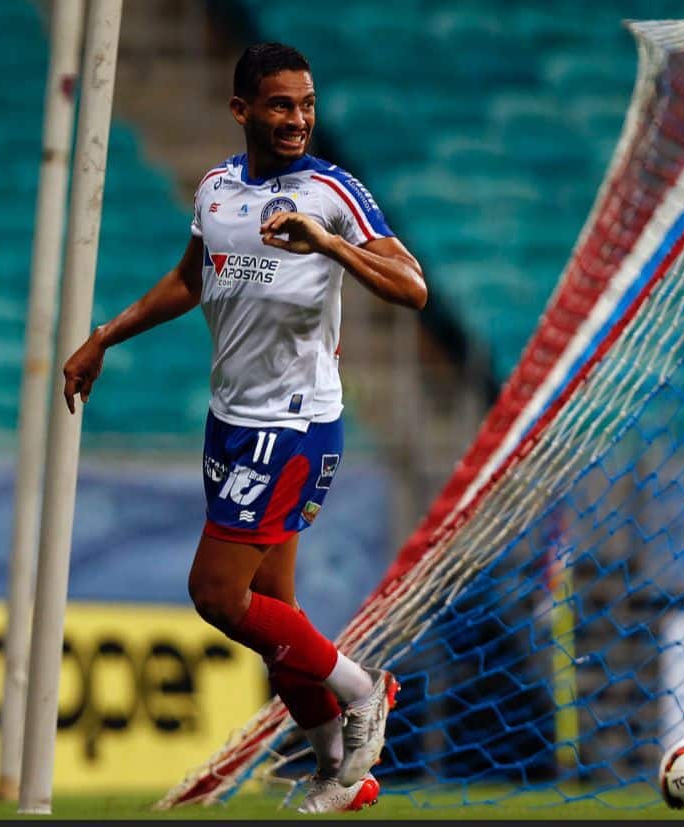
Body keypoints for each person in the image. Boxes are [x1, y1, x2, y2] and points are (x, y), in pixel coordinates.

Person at [61, 42, 427, 814]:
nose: (297, 120)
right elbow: (193, 279)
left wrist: (330, 243)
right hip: (229, 419)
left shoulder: (332, 191)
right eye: (280, 105)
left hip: (290, 424)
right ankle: (337, 772)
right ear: (242, 110)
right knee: (276, 620)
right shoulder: (218, 188)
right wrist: (105, 335)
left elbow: (412, 286)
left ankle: (365, 689)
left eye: (306, 105)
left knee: (216, 595)